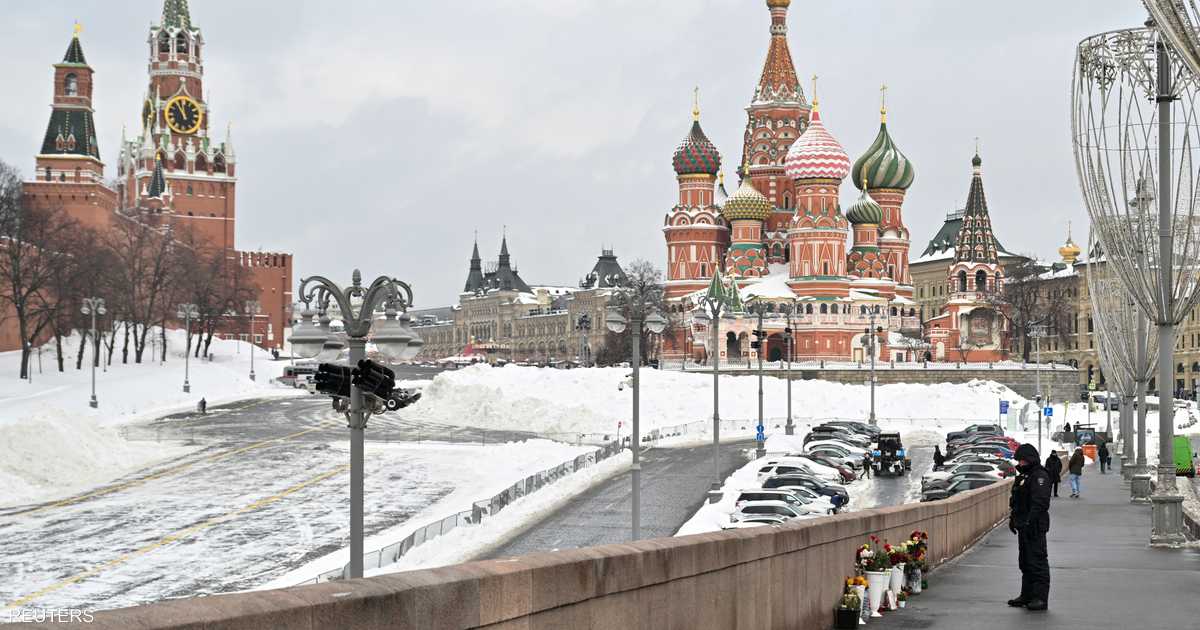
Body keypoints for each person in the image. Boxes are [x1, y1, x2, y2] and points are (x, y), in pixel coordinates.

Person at [1008, 443, 1051, 611]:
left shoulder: (1040, 476)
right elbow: (1017, 502)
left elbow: (1040, 503)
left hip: (1034, 527)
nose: (1020, 463)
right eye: (1019, 461)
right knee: (1025, 562)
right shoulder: (1024, 477)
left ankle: (1040, 598)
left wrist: (1029, 521)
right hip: (1023, 526)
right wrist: (1013, 519)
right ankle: (1026, 595)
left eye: (1023, 460)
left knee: (1037, 561)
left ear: (1030, 460)